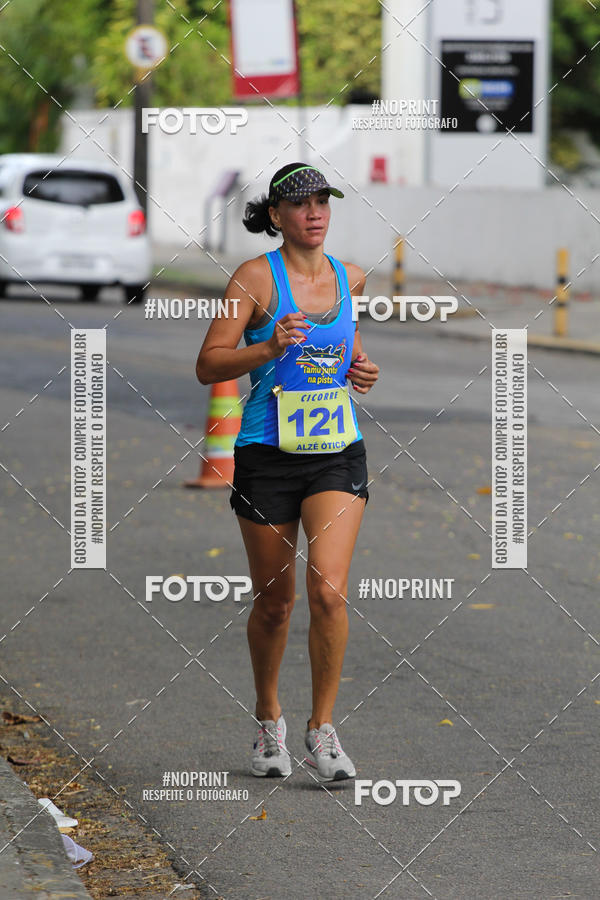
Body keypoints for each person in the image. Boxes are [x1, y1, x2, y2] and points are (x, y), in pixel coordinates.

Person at [196, 163, 379, 782]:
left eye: (322, 200)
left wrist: (361, 370)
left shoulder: (351, 277)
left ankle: (321, 729)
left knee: (329, 591)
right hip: (267, 457)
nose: (314, 212)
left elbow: (344, 351)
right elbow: (208, 363)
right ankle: (268, 716)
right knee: (276, 603)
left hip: (335, 451)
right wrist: (268, 347)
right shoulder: (252, 280)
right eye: (300, 203)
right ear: (276, 216)